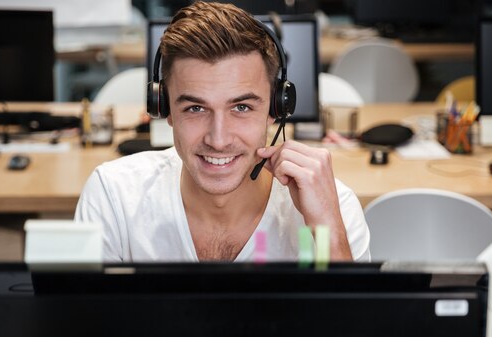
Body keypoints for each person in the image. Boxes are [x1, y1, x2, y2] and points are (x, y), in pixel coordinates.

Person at [75, 1, 370, 262]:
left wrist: (329, 232)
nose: (218, 139)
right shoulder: (114, 197)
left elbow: (355, 326)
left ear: (275, 109)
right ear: (164, 109)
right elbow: (81, 324)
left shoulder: (332, 206)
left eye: (241, 108)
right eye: (195, 109)